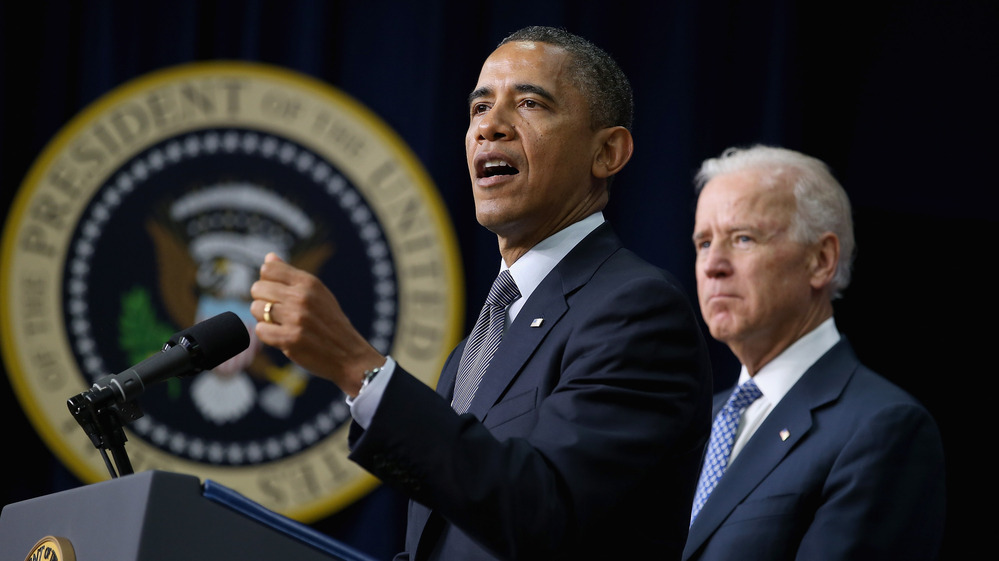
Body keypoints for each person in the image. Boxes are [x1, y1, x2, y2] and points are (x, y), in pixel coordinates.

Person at [250, 26, 712, 561]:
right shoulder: (482, 339)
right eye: (479, 109)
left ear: (607, 152)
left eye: (531, 103)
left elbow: (540, 511)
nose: (490, 127)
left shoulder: (636, 311)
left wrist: (359, 369)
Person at [683, 145, 946, 561]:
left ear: (821, 260)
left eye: (743, 238)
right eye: (703, 243)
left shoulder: (882, 429)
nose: (713, 264)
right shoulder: (695, 425)